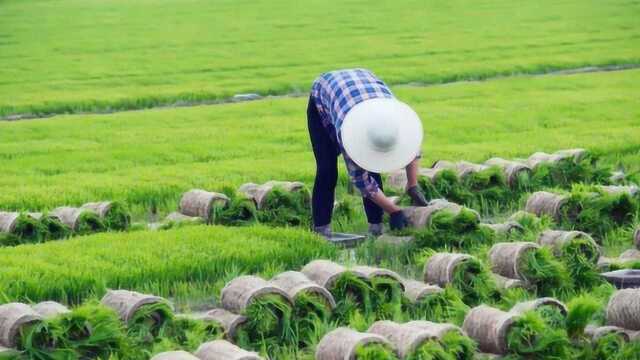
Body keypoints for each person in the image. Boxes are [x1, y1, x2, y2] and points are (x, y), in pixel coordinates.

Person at [308, 68, 428, 237]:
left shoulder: (400, 121)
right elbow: (362, 180)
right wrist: (394, 211)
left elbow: (412, 148)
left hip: (364, 88)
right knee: (327, 170)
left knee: (373, 164)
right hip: (325, 93)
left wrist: (412, 184)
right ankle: (321, 231)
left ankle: (376, 227)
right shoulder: (349, 131)